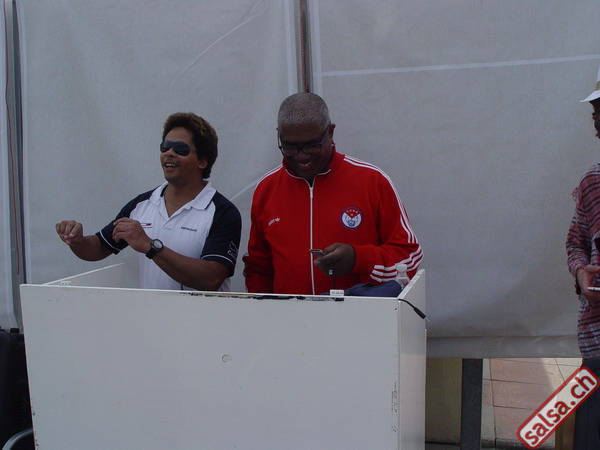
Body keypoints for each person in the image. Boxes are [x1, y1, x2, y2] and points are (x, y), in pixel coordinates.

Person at [243, 93, 422, 295]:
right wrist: (264, 309)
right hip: (289, 314)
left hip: (360, 313)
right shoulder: (266, 189)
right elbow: (258, 268)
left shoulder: (373, 181)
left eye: (311, 145)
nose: (301, 155)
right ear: (279, 136)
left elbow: (409, 257)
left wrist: (358, 258)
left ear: (330, 132)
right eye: (290, 146)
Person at [56, 112, 241, 291]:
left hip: (202, 314)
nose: (169, 153)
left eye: (180, 149)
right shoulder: (142, 205)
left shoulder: (223, 212)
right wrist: (77, 241)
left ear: (202, 161)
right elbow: (97, 248)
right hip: (150, 312)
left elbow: (211, 279)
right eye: (165, 147)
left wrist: (150, 246)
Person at [566, 66, 600, 449]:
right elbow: (575, 243)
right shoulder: (593, 182)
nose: (596, 122)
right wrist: (580, 275)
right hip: (596, 346)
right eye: (596, 112)